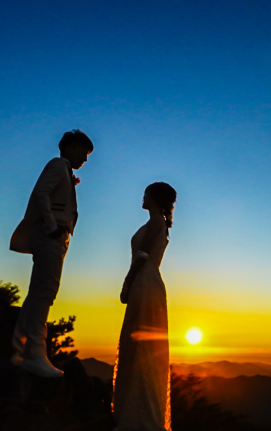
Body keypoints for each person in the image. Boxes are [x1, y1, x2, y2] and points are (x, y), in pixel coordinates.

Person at [9, 129, 93, 378]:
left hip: (54, 236)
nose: (85, 159)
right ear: (70, 147)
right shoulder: (58, 164)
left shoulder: (64, 170)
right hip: (51, 236)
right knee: (45, 291)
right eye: (84, 152)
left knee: (39, 291)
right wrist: (52, 226)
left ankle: (20, 350)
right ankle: (34, 354)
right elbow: (40, 193)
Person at [113, 182, 177, 430]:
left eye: (147, 194)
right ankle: (133, 411)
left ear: (156, 198)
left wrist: (127, 282)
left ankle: (141, 417)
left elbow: (143, 256)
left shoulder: (156, 222)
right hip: (147, 284)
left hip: (145, 283)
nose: (143, 197)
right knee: (137, 346)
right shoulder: (156, 222)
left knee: (142, 348)